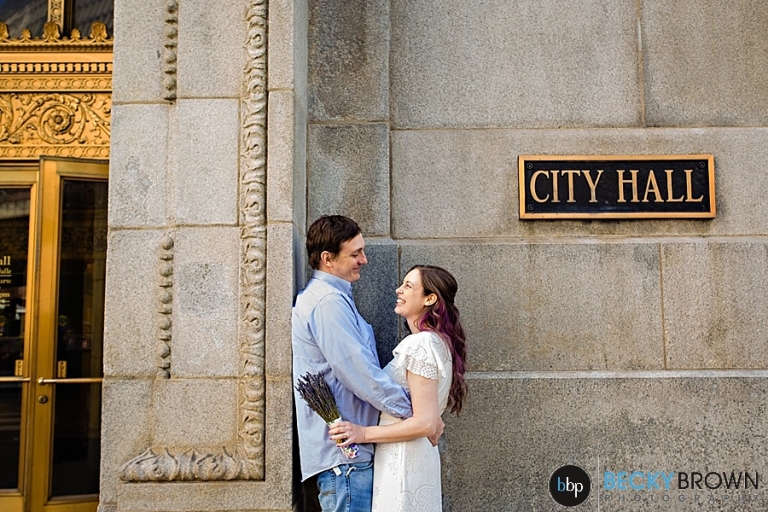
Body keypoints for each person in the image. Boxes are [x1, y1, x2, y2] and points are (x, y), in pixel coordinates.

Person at [293, 215, 418, 512]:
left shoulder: (334, 297)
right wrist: (413, 412)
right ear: (328, 259)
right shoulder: (327, 303)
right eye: (355, 253)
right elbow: (358, 372)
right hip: (345, 460)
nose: (364, 259)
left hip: (345, 459)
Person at [329, 265, 468, 512]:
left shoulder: (421, 344)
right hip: (410, 455)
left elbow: (425, 423)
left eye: (408, 286)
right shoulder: (436, 342)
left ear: (430, 298)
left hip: (404, 458)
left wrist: (362, 433)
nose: (398, 289)